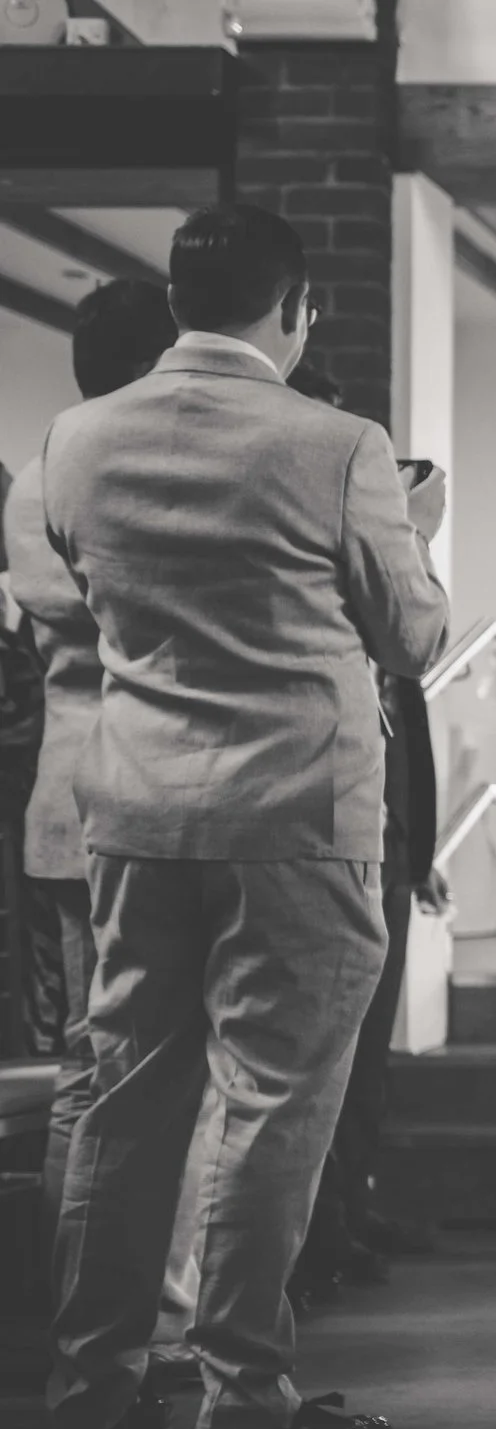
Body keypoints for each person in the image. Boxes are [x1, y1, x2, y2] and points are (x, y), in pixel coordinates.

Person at [42, 203, 450, 1429]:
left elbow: (88, 587)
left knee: (126, 1097)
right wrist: (416, 532)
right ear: (298, 309)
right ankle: (243, 1395)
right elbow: (413, 636)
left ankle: (93, 1383)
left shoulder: (77, 438)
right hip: (296, 817)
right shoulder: (337, 444)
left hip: (137, 811)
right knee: (273, 1107)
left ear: (178, 303)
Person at [3, 279, 175, 1265]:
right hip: (129, 784)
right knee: (121, 1060)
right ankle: (112, 1294)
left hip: (62, 788)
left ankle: (72, 1297)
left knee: (84, 1055)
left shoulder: (38, 468)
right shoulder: (113, 466)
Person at [284, 363, 441, 1304]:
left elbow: (407, 685)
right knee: (318, 1060)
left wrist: (422, 848)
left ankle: (346, 1212)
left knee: (367, 1055)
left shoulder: (358, 541)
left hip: (385, 828)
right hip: (321, 823)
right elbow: (400, 632)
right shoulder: (302, 544)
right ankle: (305, 1248)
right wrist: (410, 537)